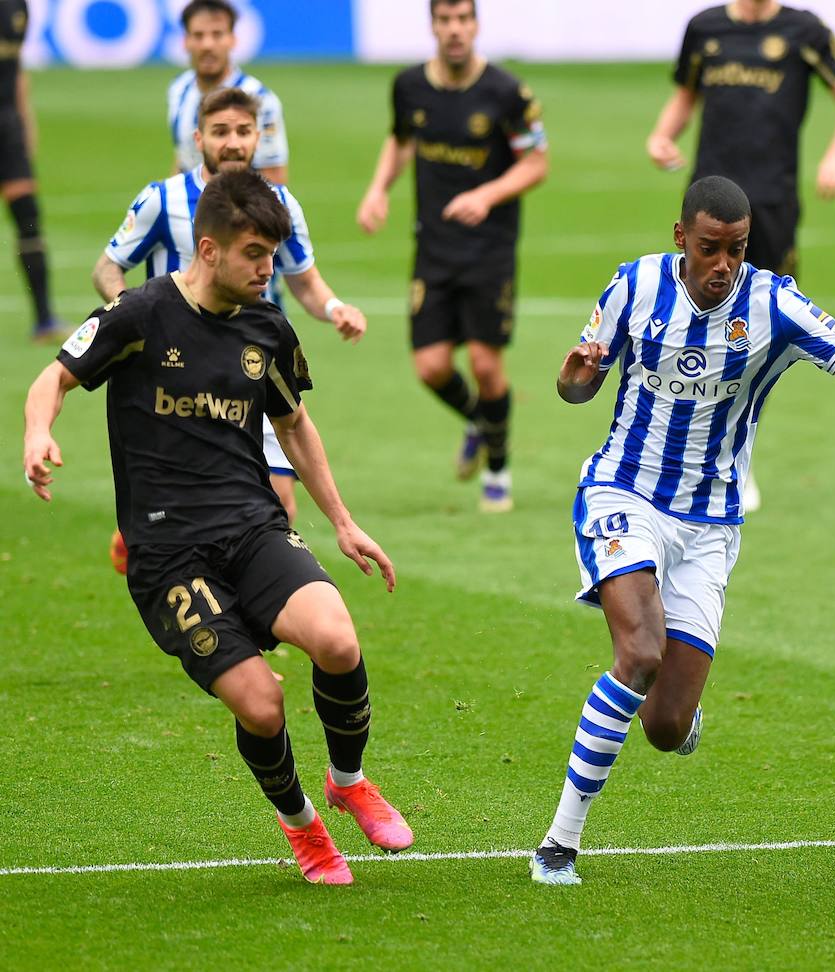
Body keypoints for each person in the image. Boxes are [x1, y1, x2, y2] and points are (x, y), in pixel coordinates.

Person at [23, 170, 410, 886]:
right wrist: (37, 435)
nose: (269, 269)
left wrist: (345, 524)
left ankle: (348, 781)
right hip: (168, 556)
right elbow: (53, 377)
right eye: (256, 254)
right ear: (209, 249)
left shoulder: (268, 327)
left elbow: (294, 426)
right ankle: (303, 827)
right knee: (262, 705)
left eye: (274, 253)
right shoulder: (137, 314)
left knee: (337, 638)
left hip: (252, 528)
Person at [529, 175, 835, 885]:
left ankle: (674, 715)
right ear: (682, 239)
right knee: (639, 652)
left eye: (736, 250)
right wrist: (573, 377)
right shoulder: (634, 285)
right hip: (624, 492)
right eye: (709, 249)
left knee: (666, 725)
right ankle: (560, 843)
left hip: (710, 525)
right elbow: (578, 383)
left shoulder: (775, 304)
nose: (723, 266)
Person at [95, 87, 365, 526]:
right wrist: (136, 323)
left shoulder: (280, 203)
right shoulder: (162, 199)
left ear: (259, 137)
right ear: (198, 139)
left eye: (243, 131)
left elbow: (305, 281)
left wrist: (335, 308)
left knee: (279, 507)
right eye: (221, 132)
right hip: (177, 376)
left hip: (251, 366)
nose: (234, 142)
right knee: (181, 514)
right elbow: (107, 269)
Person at [646, 0, 835, 512]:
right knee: (698, 325)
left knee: (761, 335)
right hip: (708, 204)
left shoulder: (803, 30)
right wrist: (663, 135)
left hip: (772, 202)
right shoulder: (704, 28)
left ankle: (736, 458)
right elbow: (685, 94)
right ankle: (692, 454)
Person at [357, 0, 547, 512]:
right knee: (430, 367)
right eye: (445, 21)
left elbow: (536, 163)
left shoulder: (508, 93)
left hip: (489, 249)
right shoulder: (409, 86)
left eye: (464, 19)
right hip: (434, 247)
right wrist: (379, 189)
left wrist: (486, 196)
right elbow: (399, 142)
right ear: (433, 26)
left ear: (476, 25)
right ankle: (478, 421)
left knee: (487, 366)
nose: (455, 30)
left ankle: (499, 474)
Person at [168, 0, 288, 184]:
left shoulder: (258, 98)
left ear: (233, 39)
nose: (207, 44)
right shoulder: (178, 89)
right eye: (198, 35)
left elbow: (273, 177)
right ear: (186, 41)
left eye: (217, 34)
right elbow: (184, 157)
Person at [1, 0, 62, 341]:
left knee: (28, 216)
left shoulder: (17, 7)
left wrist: (26, 122)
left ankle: (43, 319)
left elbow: (17, 68)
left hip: (7, 127)